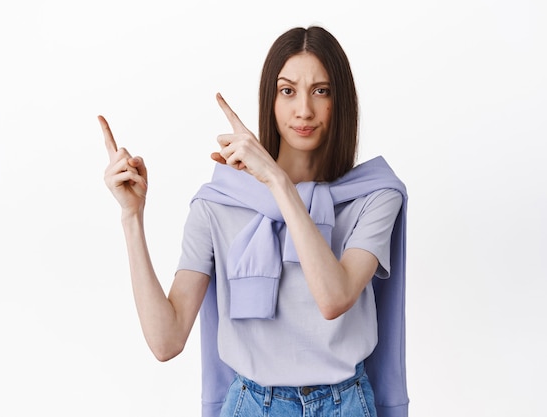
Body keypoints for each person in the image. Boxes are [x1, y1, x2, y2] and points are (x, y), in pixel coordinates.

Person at [100, 25, 409, 417]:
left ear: (341, 101)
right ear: (270, 99)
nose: (304, 110)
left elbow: (334, 298)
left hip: (344, 404)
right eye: (288, 90)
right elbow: (166, 341)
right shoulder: (218, 204)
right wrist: (131, 217)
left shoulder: (374, 196)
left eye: (321, 90)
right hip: (252, 405)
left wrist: (277, 182)